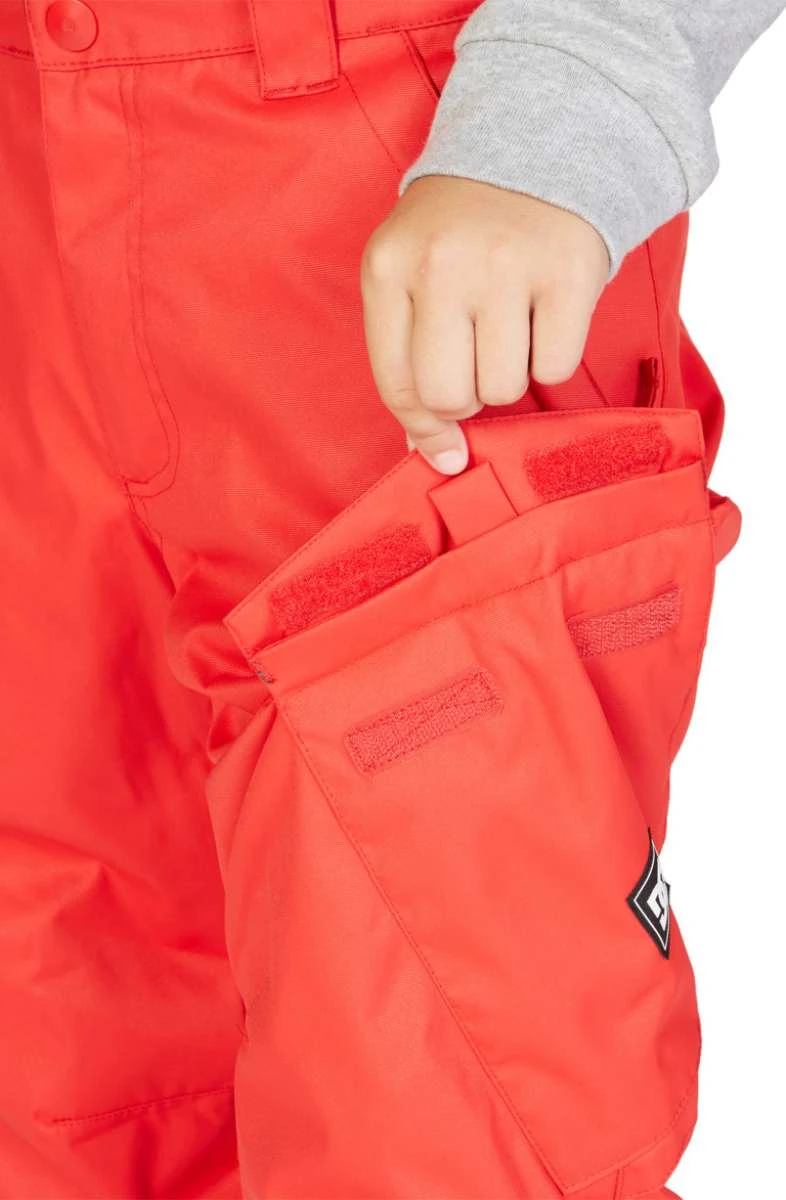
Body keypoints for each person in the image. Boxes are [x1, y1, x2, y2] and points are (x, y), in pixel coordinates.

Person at [0, 1, 781, 1196]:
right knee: (61, 1064)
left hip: (408, 173)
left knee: (442, 1114)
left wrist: (577, 72)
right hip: (30, 165)